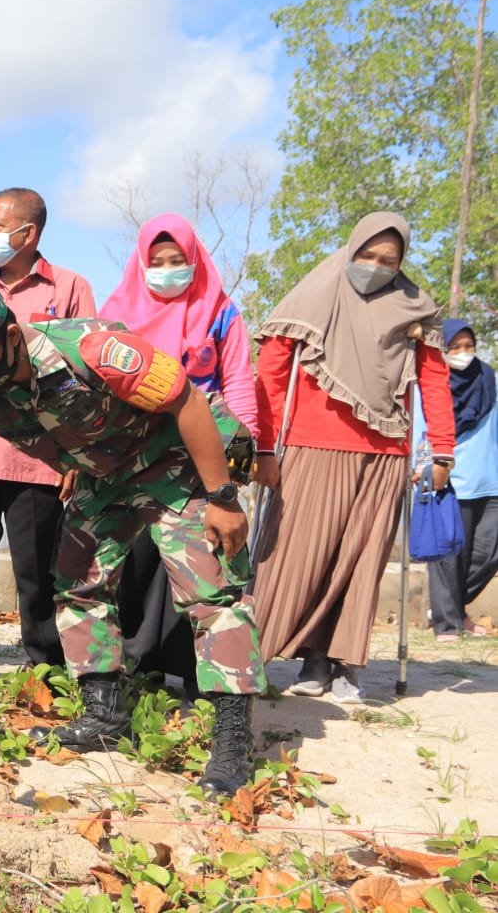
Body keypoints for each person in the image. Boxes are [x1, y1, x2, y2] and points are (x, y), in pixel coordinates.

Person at [0, 276, 264, 796]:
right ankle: (106, 716)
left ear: (12, 336)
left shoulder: (96, 350)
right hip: (106, 477)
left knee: (210, 596)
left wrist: (221, 498)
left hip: (177, 464)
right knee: (77, 583)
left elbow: (188, 405)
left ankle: (233, 740)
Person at [252, 212, 455, 702]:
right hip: (312, 445)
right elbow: (272, 373)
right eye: (367, 255)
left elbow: (434, 380)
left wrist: (443, 450)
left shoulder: (414, 309)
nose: (376, 266)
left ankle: (335, 664)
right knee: (295, 557)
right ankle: (253, 656)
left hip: (387, 450)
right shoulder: (312, 298)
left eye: (389, 260)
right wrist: (263, 445)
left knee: (360, 561)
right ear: (351, 250)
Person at [100, 213, 258, 695]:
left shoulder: (221, 311)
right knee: (138, 562)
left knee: (203, 562)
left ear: (194, 260)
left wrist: (243, 451)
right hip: (132, 454)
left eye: (177, 261)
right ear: (141, 263)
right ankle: (140, 669)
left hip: (200, 456)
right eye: (157, 261)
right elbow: (99, 386)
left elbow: (237, 382)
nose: (167, 270)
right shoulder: (116, 310)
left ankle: (198, 674)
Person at [0, 188, 96, 677]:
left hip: (41, 460)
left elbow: (84, 373)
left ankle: (46, 666)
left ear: (27, 233)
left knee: (37, 573)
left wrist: (74, 458)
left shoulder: (69, 288)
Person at [420, 319, 496, 642]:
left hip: (490, 478)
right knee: (449, 553)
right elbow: (420, 425)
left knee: (488, 552)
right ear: (443, 351)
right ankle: (448, 622)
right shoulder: (434, 382)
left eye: (469, 346)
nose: (464, 353)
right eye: (455, 348)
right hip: (449, 477)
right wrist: (419, 464)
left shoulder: (489, 378)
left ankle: (448, 607)